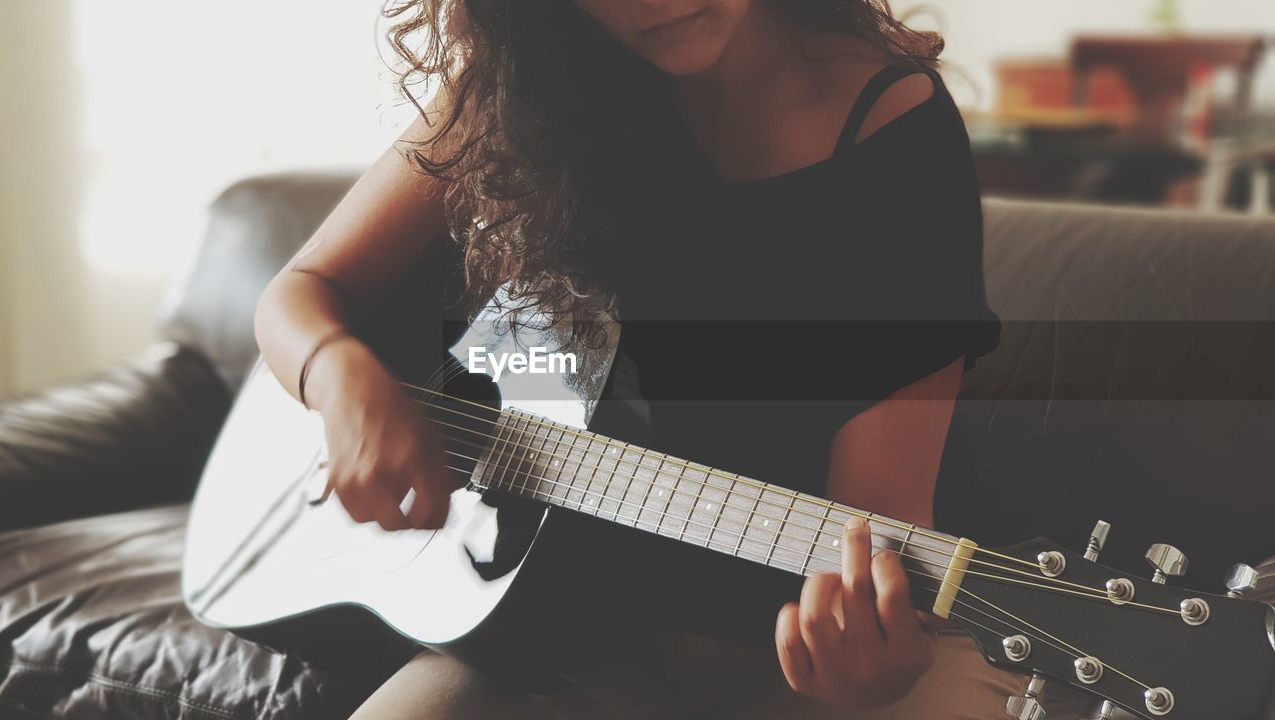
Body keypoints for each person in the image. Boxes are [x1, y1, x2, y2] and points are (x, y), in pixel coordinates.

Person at [252, 1, 1070, 717]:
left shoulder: (892, 128)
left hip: (797, 642)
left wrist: (873, 661)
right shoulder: (520, 86)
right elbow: (301, 290)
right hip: (572, 629)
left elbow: (879, 513)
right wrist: (341, 377)